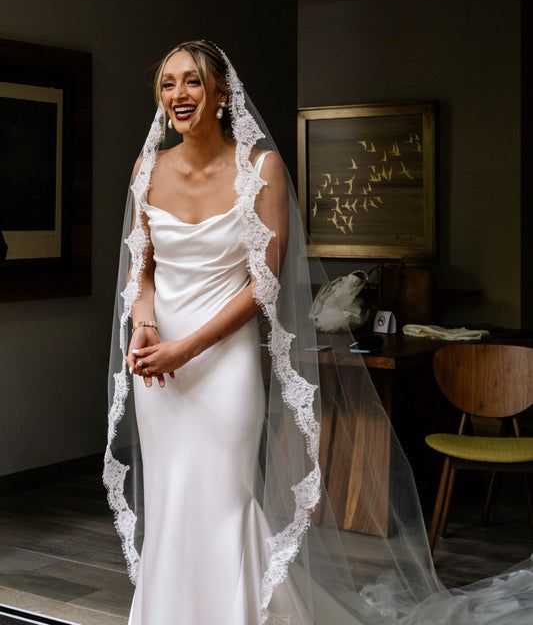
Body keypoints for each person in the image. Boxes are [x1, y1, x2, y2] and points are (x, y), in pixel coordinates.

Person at [104, 40, 533, 625]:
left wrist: (186, 346)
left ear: (223, 94)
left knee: (223, 499)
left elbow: (264, 287)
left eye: (194, 82)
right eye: (169, 84)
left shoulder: (261, 169)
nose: (179, 95)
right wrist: (145, 328)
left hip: (221, 365)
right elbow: (143, 268)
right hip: (160, 367)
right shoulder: (146, 169)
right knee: (173, 501)